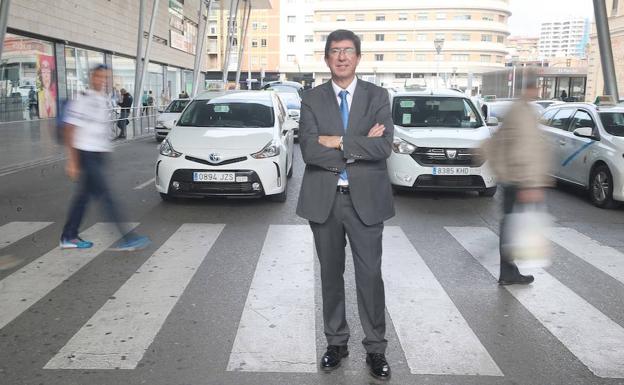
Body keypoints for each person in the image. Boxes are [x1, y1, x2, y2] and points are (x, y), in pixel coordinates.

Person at [296, 29, 394, 380]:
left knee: (370, 276)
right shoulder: (312, 98)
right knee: (330, 275)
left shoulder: (378, 96)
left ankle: (376, 349)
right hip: (326, 202)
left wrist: (335, 141)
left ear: (358, 57)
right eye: (335, 51)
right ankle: (336, 343)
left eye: (348, 51)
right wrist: (355, 146)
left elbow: (383, 147)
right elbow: (308, 149)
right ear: (326, 58)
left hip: (366, 201)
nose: (341, 57)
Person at [60, 64, 150, 251]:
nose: (102, 80)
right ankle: (128, 237)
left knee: (83, 197)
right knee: (107, 196)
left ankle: (69, 236)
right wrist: (72, 161)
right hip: (85, 154)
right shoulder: (82, 99)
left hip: (98, 154)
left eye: (106, 77)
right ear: (91, 77)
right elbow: (69, 128)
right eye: (99, 76)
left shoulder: (103, 99)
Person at [482, 69, 552, 285]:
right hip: (520, 180)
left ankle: (508, 271)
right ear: (531, 88)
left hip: (512, 178)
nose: (539, 90)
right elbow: (524, 150)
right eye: (537, 86)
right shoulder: (522, 112)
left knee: (512, 224)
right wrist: (530, 183)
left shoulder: (518, 109)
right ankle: (509, 270)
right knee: (518, 226)